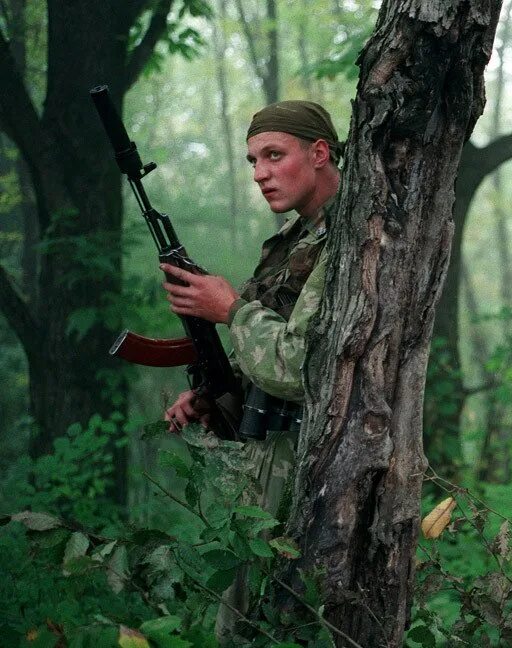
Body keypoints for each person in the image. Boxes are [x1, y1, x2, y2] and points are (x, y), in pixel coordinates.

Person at [158, 100, 342, 638]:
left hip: (309, 471)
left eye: (274, 155)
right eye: (252, 161)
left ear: (319, 153)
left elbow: (301, 367)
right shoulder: (293, 241)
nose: (260, 174)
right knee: (240, 626)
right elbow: (271, 354)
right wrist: (219, 391)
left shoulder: (346, 241)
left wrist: (231, 310)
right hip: (267, 464)